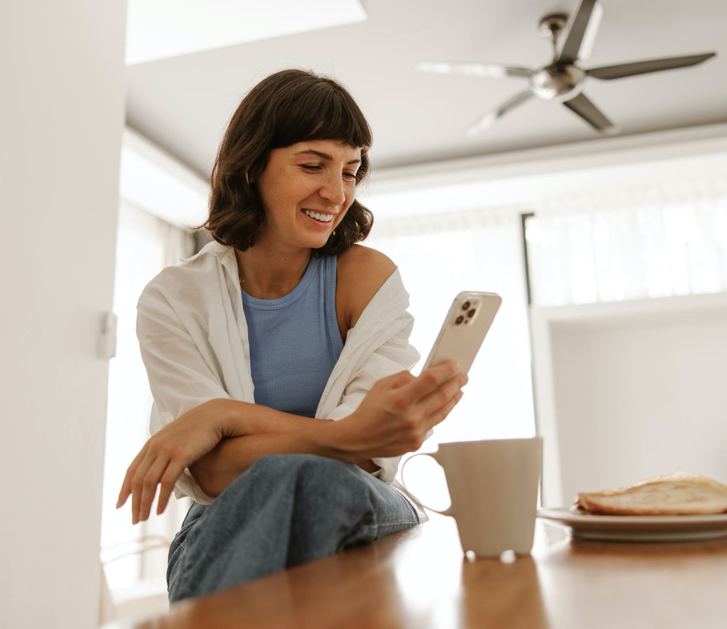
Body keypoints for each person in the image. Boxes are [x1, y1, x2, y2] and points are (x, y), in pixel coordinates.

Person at [114, 69, 469, 604]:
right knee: (279, 485)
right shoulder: (172, 299)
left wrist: (223, 417)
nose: (337, 192)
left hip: (363, 505)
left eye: (351, 171)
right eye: (312, 165)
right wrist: (349, 435)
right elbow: (211, 472)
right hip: (225, 521)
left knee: (311, 483)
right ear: (253, 165)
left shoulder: (366, 280)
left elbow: (373, 454)